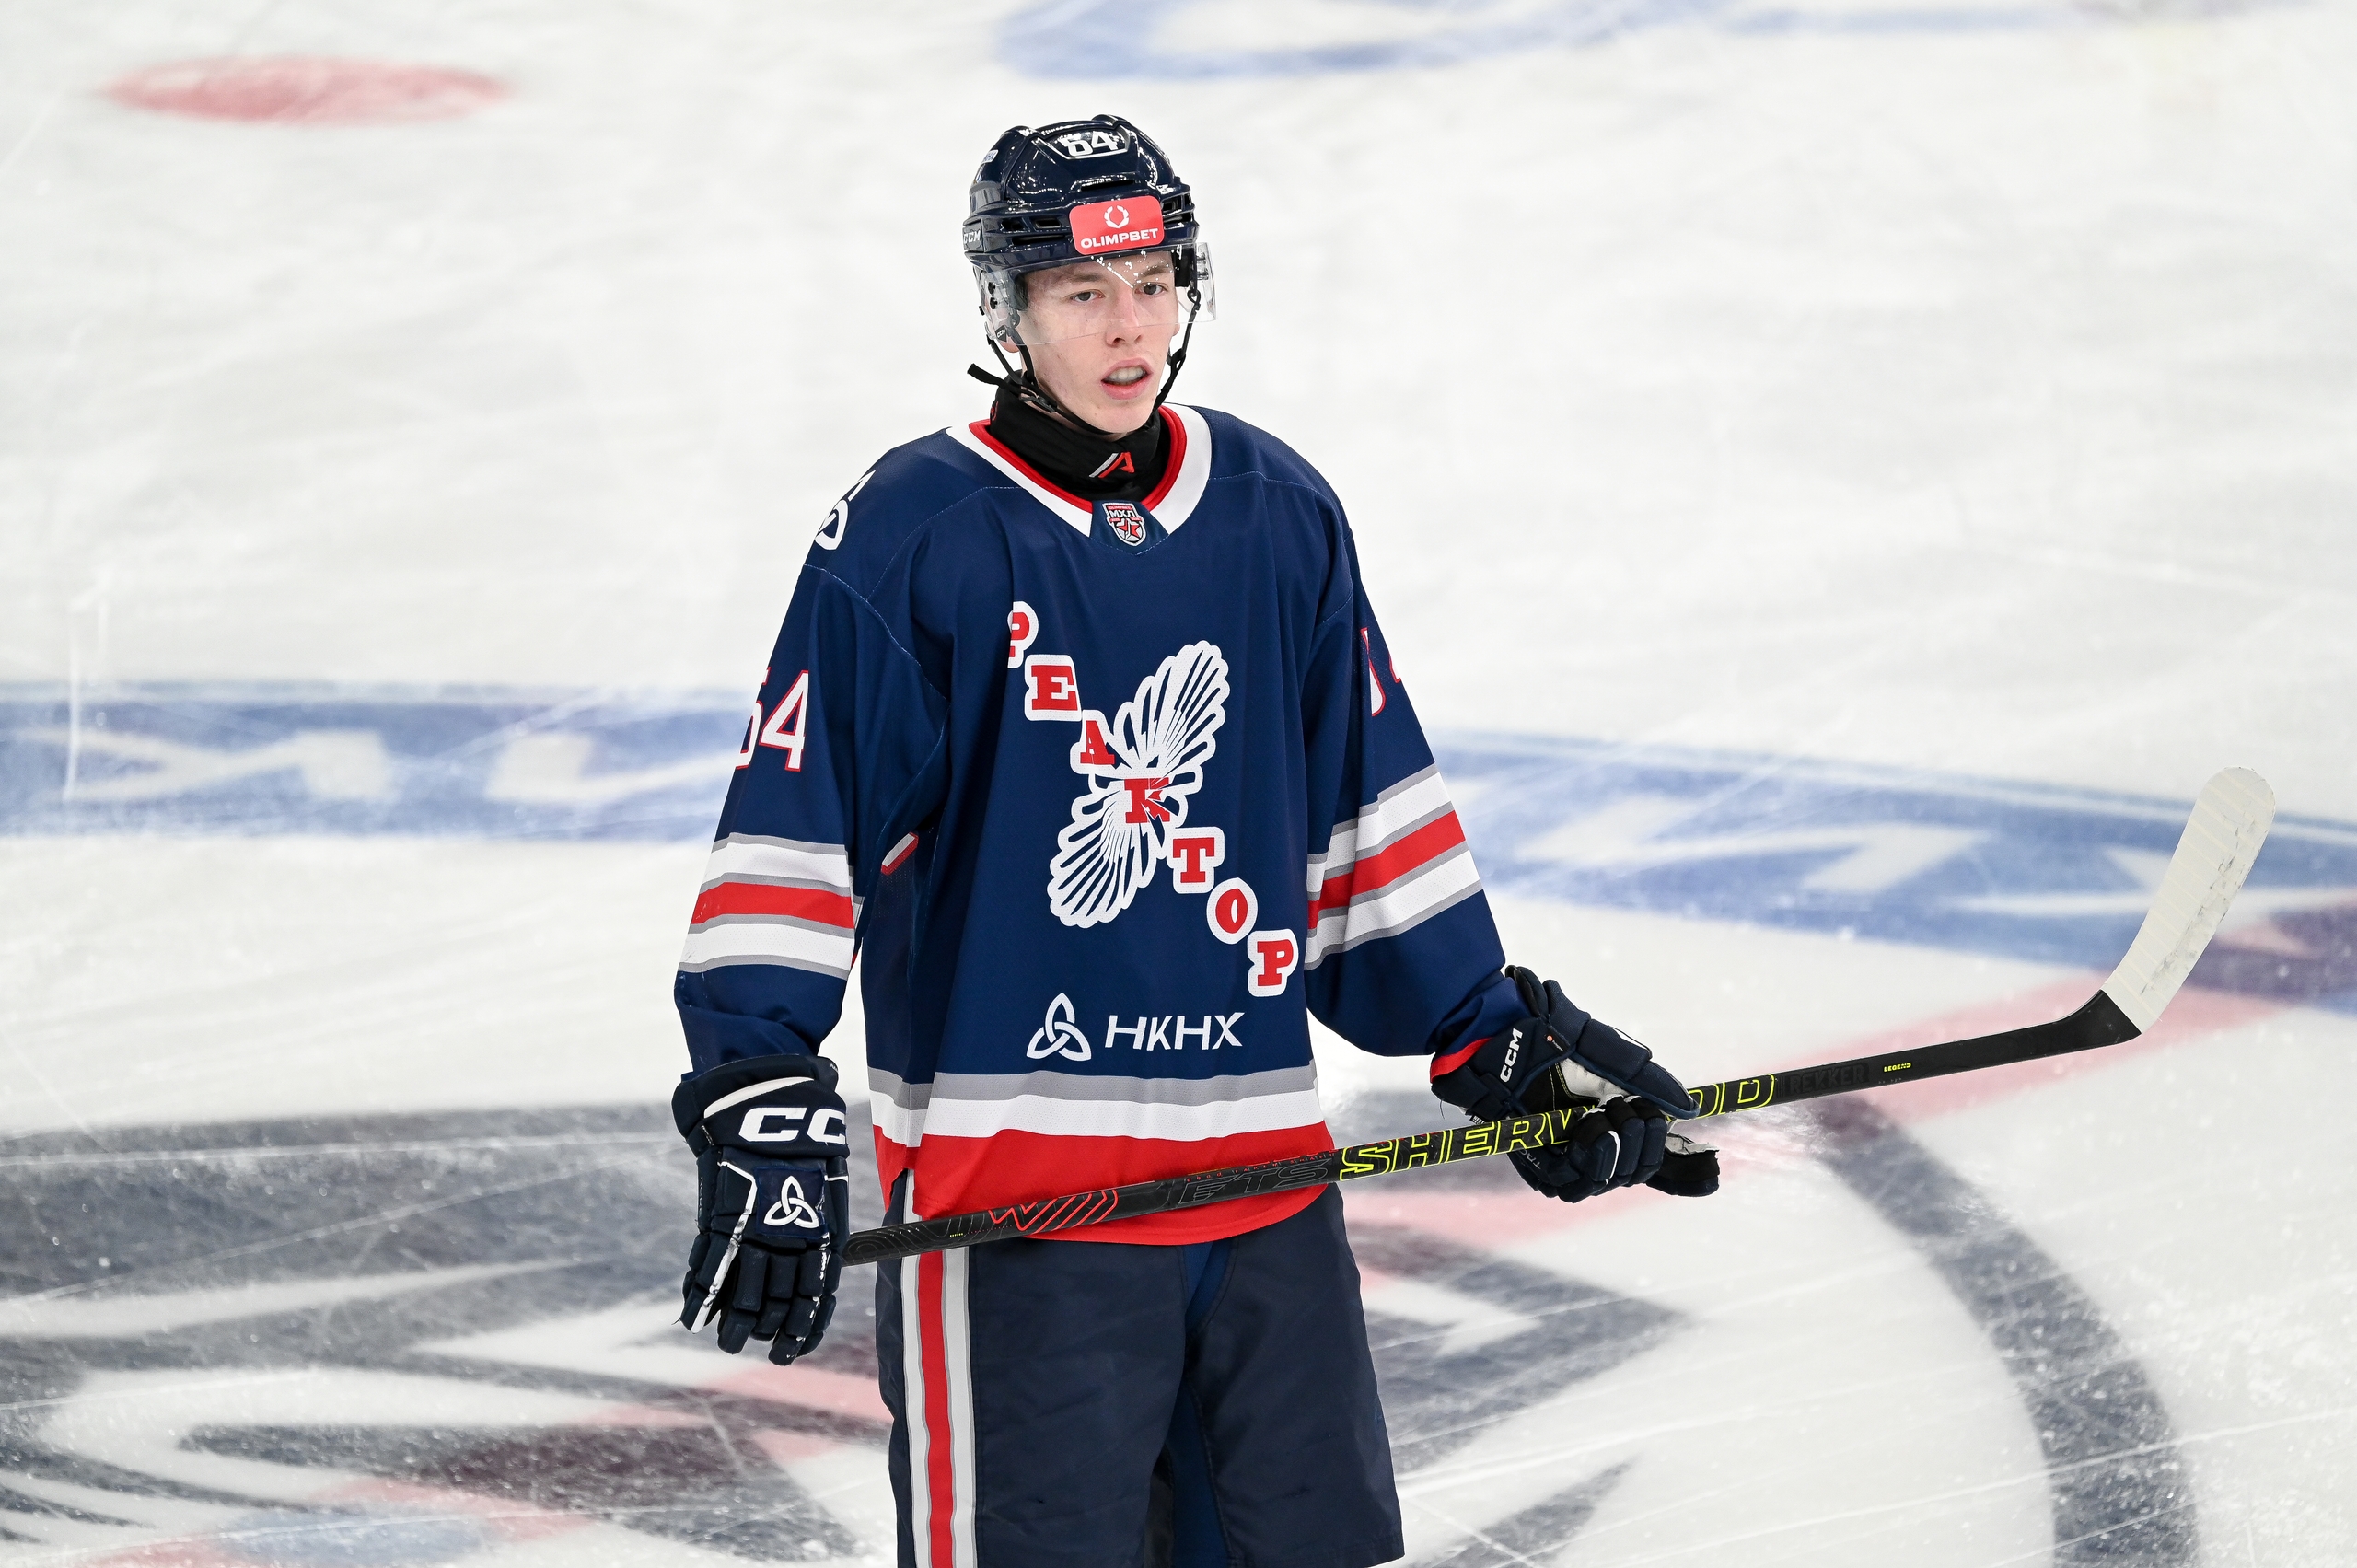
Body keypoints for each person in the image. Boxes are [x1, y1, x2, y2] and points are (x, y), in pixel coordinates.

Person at [667, 114, 1721, 1568]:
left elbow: (1365, 816)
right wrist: (761, 1090)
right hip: (1018, 1213)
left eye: (1155, 284)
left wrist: (1494, 1041)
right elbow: (796, 832)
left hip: (1262, 1191)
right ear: (1007, 309)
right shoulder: (915, 534)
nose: (1130, 329)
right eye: (1083, 293)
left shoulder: (1276, 512)